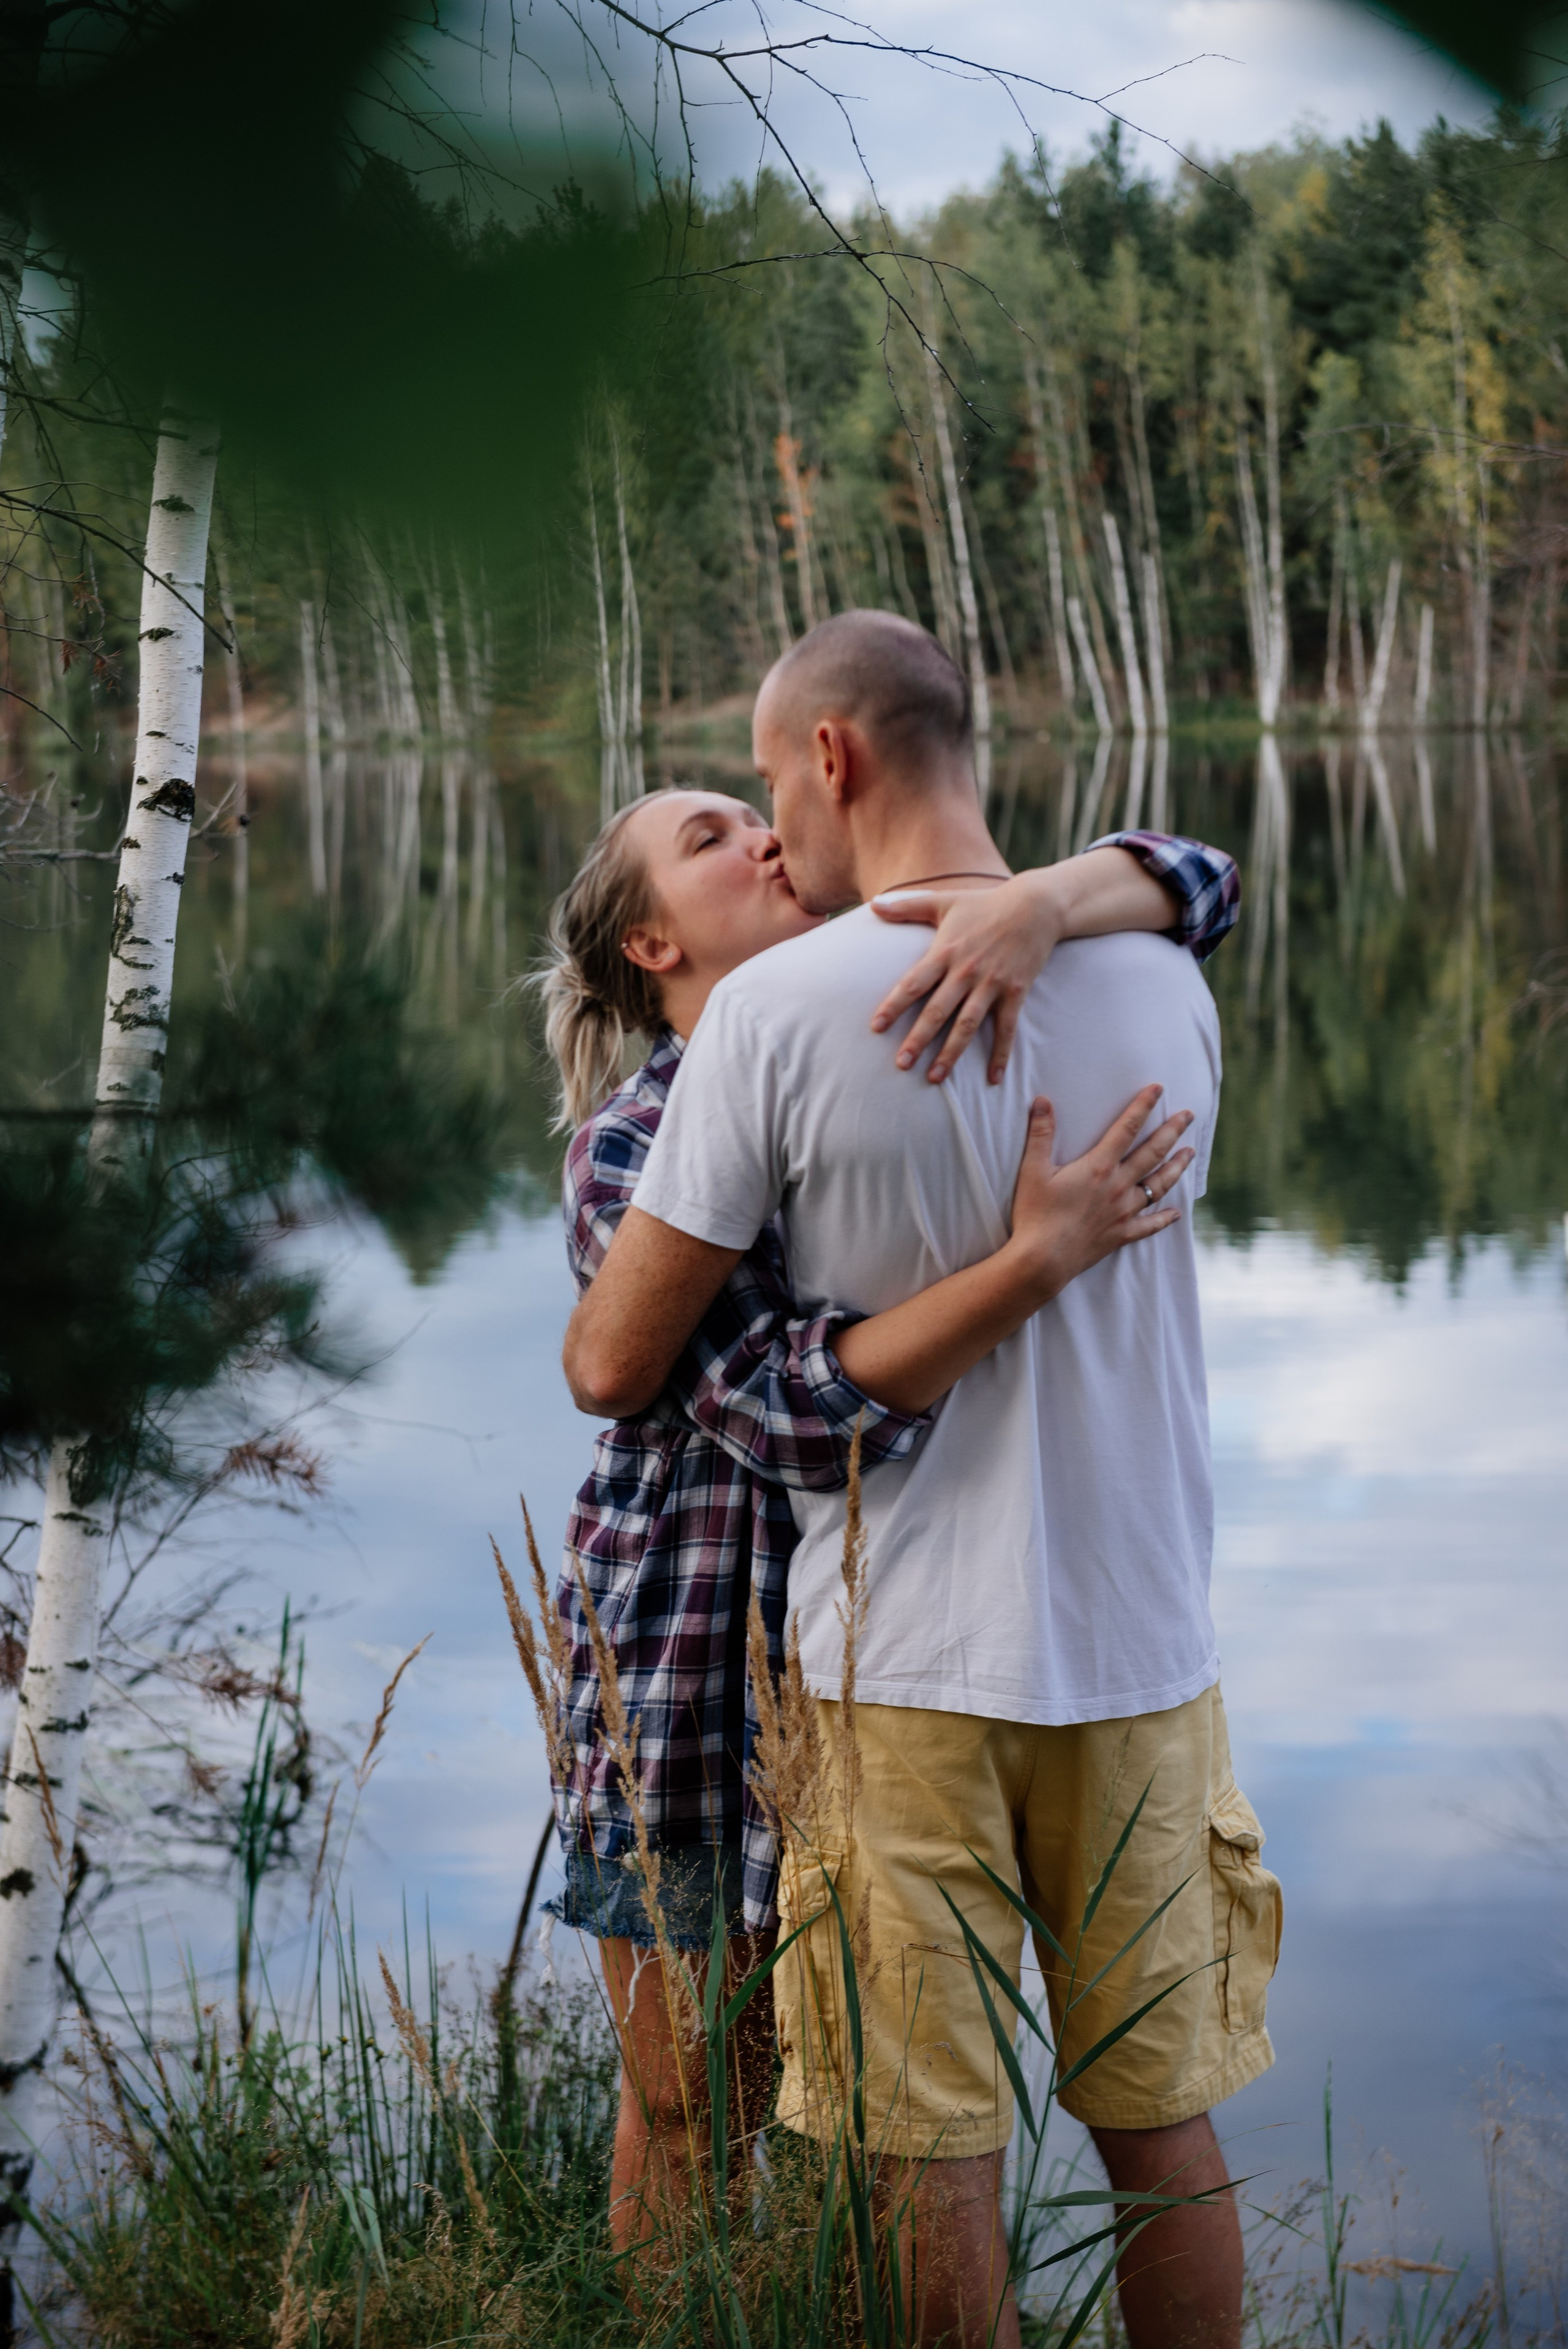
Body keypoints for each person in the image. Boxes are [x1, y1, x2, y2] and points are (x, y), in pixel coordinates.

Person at [563, 613, 1282, 2349]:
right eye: (706, 830)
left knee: (922, 2156)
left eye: (755, 789)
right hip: (1137, 1644)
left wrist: (1042, 903)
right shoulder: (1164, 974)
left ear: (831, 760)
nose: (758, 824)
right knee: (1161, 2131)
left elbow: (611, 1364)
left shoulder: (782, 1024)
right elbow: (1201, 877)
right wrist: (1052, 911)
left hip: (892, 1669)